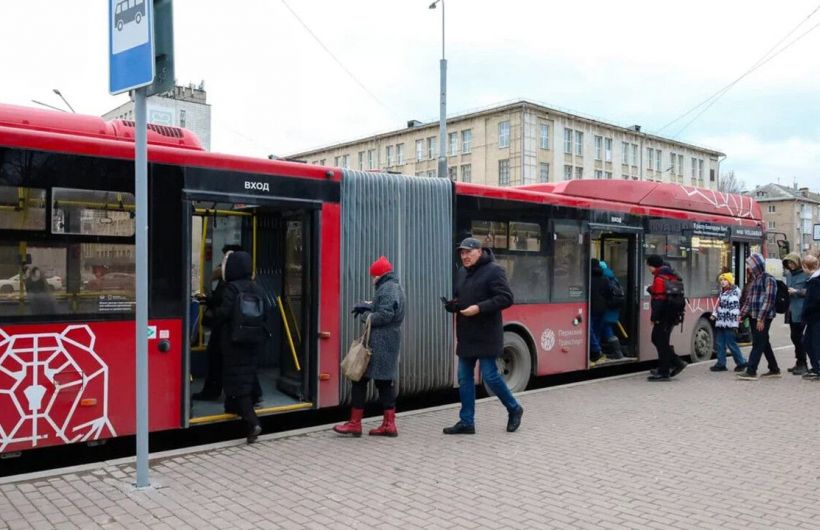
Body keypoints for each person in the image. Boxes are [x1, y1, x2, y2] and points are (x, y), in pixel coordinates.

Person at [441, 237, 523, 434]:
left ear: (479, 251)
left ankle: (514, 408)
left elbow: (506, 298)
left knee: (490, 377)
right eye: (462, 252)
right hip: (467, 333)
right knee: (464, 377)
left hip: (487, 334)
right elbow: (462, 298)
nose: (465, 256)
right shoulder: (461, 273)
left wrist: (479, 308)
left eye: (469, 252)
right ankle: (466, 421)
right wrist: (454, 305)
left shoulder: (494, 270)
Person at [334, 256, 406, 437]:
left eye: (373, 276)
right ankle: (388, 425)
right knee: (383, 383)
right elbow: (383, 307)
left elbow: (385, 314)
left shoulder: (388, 288)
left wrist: (367, 317)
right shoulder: (392, 286)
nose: (372, 279)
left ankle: (355, 424)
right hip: (386, 342)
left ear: (379, 274)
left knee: (359, 379)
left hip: (380, 343)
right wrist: (367, 306)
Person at [193, 244, 264, 403]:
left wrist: (212, 312)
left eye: (226, 258)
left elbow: (225, 307)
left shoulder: (231, 282)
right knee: (241, 365)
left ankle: (241, 397)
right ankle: (251, 394)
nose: (223, 262)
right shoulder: (246, 282)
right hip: (237, 329)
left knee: (224, 362)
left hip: (227, 329)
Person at [214, 250, 268, 443]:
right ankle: (233, 408)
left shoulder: (232, 288)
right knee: (245, 375)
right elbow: (265, 314)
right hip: (253, 342)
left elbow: (224, 313)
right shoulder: (257, 288)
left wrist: (213, 316)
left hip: (234, 343)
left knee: (237, 383)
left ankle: (253, 422)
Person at [736, 253, 781, 381]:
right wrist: (741, 314)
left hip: (763, 317)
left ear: (757, 265)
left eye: (750, 265)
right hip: (753, 316)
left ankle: (751, 371)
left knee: (758, 343)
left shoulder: (769, 279)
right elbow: (749, 300)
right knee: (764, 342)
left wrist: (761, 318)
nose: (748, 268)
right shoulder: (755, 280)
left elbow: (769, 300)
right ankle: (774, 369)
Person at [645, 254, 688, 381]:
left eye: (649, 265)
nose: (648, 268)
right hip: (672, 314)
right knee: (660, 340)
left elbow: (659, 300)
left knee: (659, 340)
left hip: (664, 315)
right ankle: (667, 366)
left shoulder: (659, 278)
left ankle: (668, 369)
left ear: (653, 265)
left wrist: (654, 318)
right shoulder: (670, 275)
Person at [709, 272, 747, 372]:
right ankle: (721, 363)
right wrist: (714, 315)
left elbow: (734, 308)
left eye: (725, 280)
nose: (722, 282)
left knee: (731, 343)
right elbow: (719, 306)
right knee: (719, 343)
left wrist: (735, 320)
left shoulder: (735, 293)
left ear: (729, 281)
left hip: (730, 322)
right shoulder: (722, 293)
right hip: (721, 321)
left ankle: (741, 362)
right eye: (721, 280)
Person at [782, 253, 808, 375]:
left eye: (792, 263)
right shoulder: (788, 275)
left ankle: (803, 364)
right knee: (794, 336)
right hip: (790, 310)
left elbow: (809, 291)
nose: (790, 265)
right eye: (788, 263)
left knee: (798, 337)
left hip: (800, 310)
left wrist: (796, 291)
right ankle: (799, 362)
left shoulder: (805, 274)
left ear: (797, 262)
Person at [599, 260, 625, 360]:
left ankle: (616, 352)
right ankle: (613, 350)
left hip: (607, 307)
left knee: (605, 328)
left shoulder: (603, 277)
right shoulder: (613, 277)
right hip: (614, 307)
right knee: (607, 327)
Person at [799, 255, 820, 380]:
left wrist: (806, 312)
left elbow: (815, 300)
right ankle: (815, 367)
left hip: (815, 318)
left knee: (813, 343)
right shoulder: (813, 280)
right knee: (808, 342)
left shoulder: (815, 281)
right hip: (814, 318)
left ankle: (818, 368)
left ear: (806, 267)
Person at [588, 259, 610, 364]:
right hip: (602, 308)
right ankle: (595, 352)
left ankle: (595, 350)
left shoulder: (588, 279)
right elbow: (608, 293)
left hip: (591, 307)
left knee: (589, 329)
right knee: (596, 329)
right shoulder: (605, 279)